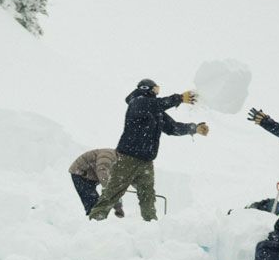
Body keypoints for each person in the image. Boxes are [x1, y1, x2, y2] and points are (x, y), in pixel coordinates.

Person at [88, 79, 209, 221]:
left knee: (148, 196)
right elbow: (156, 104)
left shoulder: (155, 110)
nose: (158, 91)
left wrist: (194, 128)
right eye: (157, 88)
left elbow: (172, 127)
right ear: (149, 88)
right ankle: (96, 221)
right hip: (127, 159)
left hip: (146, 162)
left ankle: (150, 225)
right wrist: (180, 98)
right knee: (113, 192)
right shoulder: (138, 101)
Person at [69, 148, 124, 218]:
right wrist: (110, 188)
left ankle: (98, 216)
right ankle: (94, 218)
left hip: (92, 176)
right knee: (92, 200)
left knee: (98, 200)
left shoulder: (120, 164)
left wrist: (118, 207)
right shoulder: (108, 155)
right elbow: (102, 171)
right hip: (80, 172)